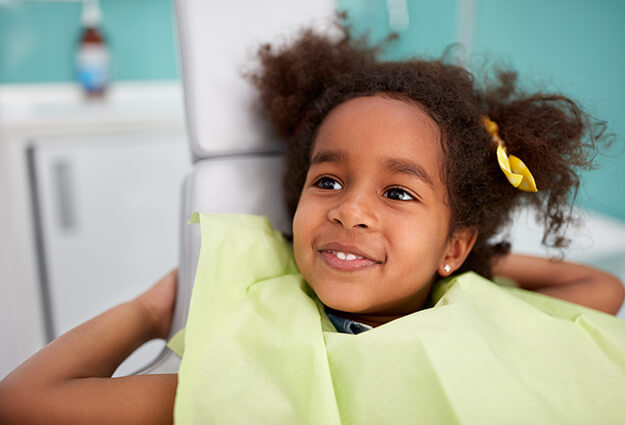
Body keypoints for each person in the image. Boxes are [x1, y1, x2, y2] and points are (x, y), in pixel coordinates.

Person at [0, 20, 623, 425]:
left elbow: (601, 290)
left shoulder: (480, 307)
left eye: (399, 193)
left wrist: (471, 261)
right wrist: (152, 309)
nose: (349, 209)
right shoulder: (260, 363)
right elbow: (25, 404)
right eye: (327, 181)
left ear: (454, 244)